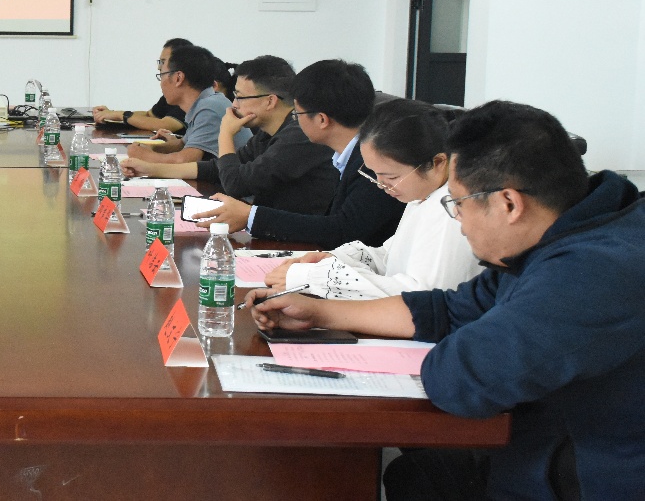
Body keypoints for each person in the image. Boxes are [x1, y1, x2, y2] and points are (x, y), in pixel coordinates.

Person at [247, 101, 645, 500]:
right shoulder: (563, 235)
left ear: (508, 203)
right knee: (414, 475)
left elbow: (462, 378)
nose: (459, 223)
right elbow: (450, 308)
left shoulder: (594, 272)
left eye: (457, 204)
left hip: (588, 476)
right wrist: (322, 312)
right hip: (541, 444)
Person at [262, 98, 479, 299]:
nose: (381, 185)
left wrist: (315, 278)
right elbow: (388, 258)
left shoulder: (451, 209)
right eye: (375, 174)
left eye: (391, 177)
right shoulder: (423, 194)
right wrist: (334, 259)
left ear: (438, 163)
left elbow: (419, 296)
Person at [190, 59, 405, 248]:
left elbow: (342, 229)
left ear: (322, 120)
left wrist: (251, 216)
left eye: (297, 114)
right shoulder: (348, 155)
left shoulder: (375, 163)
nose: (295, 121)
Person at [122, 55, 337, 215]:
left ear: (270, 101)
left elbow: (235, 184)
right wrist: (150, 169)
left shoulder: (298, 136)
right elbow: (216, 168)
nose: (234, 105)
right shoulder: (266, 134)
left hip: (303, 245)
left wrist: (225, 134)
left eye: (240, 97)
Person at [124, 45, 251, 165]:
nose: (161, 84)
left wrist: (144, 155)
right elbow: (182, 144)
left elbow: (184, 160)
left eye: (162, 75)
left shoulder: (209, 108)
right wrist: (151, 148)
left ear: (178, 78)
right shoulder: (207, 101)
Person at [92, 38, 193, 133]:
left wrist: (121, 115)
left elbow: (164, 125)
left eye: (163, 62)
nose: (159, 67)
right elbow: (149, 115)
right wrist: (111, 114)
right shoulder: (173, 92)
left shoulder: (191, 94)